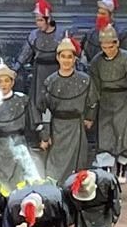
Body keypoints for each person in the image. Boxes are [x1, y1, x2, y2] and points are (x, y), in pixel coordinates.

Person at [87, 24, 127, 175]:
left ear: (117, 43)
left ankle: (122, 171)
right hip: (104, 102)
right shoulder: (96, 62)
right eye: (104, 47)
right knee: (105, 137)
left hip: (123, 101)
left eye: (111, 47)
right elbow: (93, 90)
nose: (107, 50)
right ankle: (106, 172)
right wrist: (90, 115)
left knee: (124, 137)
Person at [38, 35, 94, 181]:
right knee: (55, 167)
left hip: (76, 127)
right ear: (58, 58)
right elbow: (45, 110)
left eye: (70, 57)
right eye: (63, 56)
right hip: (57, 128)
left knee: (77, 166)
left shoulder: (84, 80)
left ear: (75, 59)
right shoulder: (50, 81)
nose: (66, 60)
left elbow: (92, 101)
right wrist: (46, 135)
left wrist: (89, 117)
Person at [0, 59, 39, 186]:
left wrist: (42, 138)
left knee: (20, 177)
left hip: (19, 143)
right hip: (0, 146)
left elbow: (34, 122)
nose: (3, 84)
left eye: (6, 80)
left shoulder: (22, 100)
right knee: (1, 180)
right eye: (0, 81)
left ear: (12, 82)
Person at [16, 0, 63, 86]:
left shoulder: (61, 35)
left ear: (48, 19)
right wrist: (14, 70)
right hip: (39, 74)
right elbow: (24, 55)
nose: (38, 24)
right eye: (37, 20)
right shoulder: (34, 35)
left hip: (57, 72)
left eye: (41, 20)